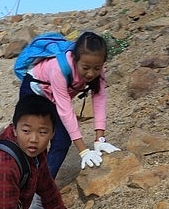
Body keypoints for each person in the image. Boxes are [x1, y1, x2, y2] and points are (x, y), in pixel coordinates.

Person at [19, 31, 120, 181]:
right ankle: (22, 180)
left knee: (62, 139)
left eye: (97, 68)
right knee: (35, 137)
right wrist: (83, 151)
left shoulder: (99, 70)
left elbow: (99, 100)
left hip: (54, 97)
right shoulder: (59, 69)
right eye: (85, 68)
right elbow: (65, 110)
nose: (91, 73)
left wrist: (100, 140)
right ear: (75, 59)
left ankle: (41, 188)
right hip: (34, 91)